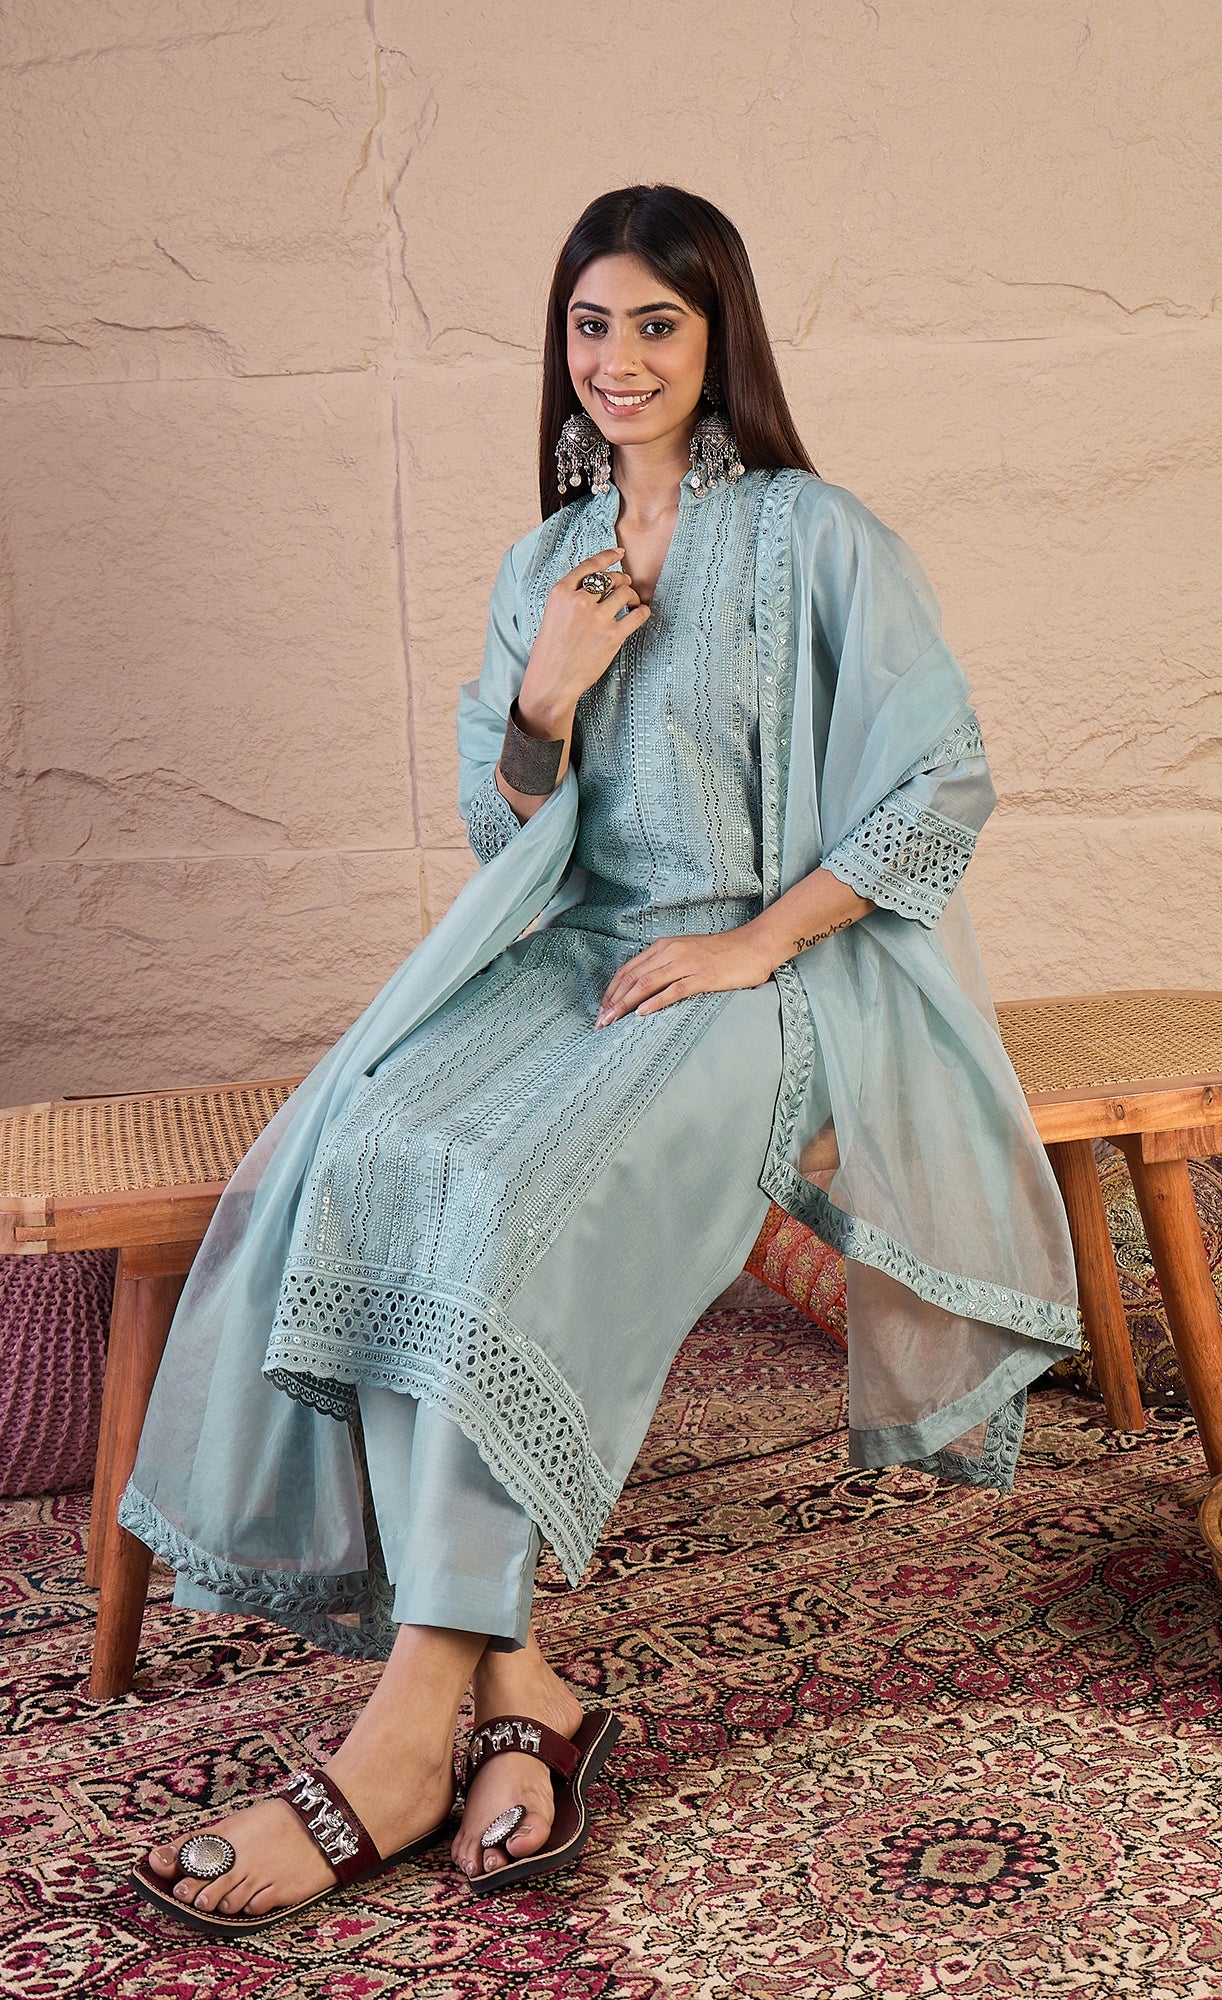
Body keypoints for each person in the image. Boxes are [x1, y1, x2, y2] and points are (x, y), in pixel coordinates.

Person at [122, 184, 1080, 1934]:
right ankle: (528, 1698)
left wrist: (754, 943)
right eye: (591, 325)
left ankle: (403, 1732)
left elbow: (942, 783)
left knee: (507, 1195)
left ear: (719, 340)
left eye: (657, 323)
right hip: (571, 957)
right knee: (388, 1148)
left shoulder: (816, 535)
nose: (619, 359)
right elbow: (506, 840)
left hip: (775, 978)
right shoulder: (541, 564)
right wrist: (545, 696)